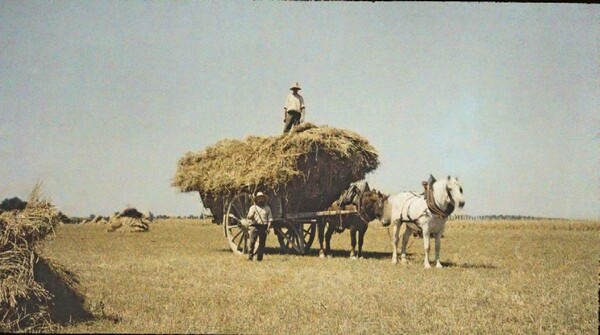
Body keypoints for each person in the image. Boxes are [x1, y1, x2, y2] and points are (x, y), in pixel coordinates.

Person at [246, 191, 273, 261]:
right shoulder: (253, 207)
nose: (260, 199)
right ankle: (250, 257)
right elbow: (249, 216)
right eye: (259, 198)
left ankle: (259, 259)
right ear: (256, 199)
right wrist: (251, 216)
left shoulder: (267, 208)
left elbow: (270, 219)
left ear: (264, 199)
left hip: (263, 227)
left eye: (262, 198)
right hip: (254, 227)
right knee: (252, 242)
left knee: (262, 244)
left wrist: (268, 227)